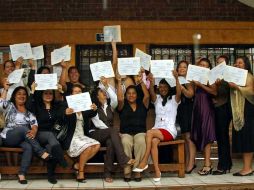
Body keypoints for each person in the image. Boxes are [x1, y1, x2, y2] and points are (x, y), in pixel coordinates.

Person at [133, 71, 181, 182]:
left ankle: (144, 161)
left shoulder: (174, 99)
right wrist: (152, 81)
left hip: (169, 130)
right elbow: (151, 92)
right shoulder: (157, 99)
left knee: (149, 133)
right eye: (160, 87)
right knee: (154, 141)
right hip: (158, 128)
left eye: (165, 87)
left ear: (169, 88)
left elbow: (179, 92)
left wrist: (177, 79)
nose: (162, 89)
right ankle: (157, 171)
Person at [0, 85, 51, 184]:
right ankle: (41, 152)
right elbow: (0, 103)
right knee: (24, 128)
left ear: (26, 97)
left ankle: (22, 174)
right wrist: (5, 89)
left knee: (28, 147)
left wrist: (34, 130)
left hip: (23, 139)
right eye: (19, 94)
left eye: (24, 94)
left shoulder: (29, 112)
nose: (22, 96)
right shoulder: (9, 105)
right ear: (14, 96)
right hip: (9, 137)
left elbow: (34, 124)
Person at [90, 77, 135, 183]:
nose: (104, 92)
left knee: (111, 142)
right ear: (97, 96)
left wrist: (106, 86)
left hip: (109, 135)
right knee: (113, 130)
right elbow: (98, 124)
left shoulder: (110, 106)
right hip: (95, 134)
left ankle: (107, 173)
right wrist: (113, 131)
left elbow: (116, 99)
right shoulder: (93, 107)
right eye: (101, 91)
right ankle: (123, 159)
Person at [26, 82, 68, 184]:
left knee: (50, 148)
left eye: (50, 93)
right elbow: (28, 105)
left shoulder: (56, 106)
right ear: (42, 95)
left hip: (53, 137)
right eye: (46, 93)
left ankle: (51, 175)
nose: (48, 95)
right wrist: (32, 91)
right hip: (39, 134)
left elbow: (66, 104)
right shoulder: (37, 106)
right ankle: (61, 159)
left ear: (53, 95)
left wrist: (61, 92)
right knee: (50, 135)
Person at [61, 84, 101, 182]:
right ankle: (81, 173)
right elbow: (60, 117)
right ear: (71, 94)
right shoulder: (65, 105)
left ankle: (77, 165)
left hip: (82, 136)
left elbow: (92, 113)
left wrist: (95, 108)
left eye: (80, 91)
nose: (78, 93)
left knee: (97, 145)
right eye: (76, 91)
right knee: (87, 148)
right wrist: (65, 113)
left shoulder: (84, 106)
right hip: (71, 137)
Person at [117, 72, 150, 182]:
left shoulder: (143, 104)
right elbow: (120, 98)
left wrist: (141, 82)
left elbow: (147, 95)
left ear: (137, 95)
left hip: (140, 132)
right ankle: (127, 170)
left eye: (133, 93)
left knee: (141, 140)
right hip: (126, 133)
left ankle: (137, 170)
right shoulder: (122, 105)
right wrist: (118, 81)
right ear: (126, 95)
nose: (131, 95)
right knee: (125, 141)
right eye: (129, 93)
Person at [188, 58, 217, 175]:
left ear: (209, 68)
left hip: (206, 107)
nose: (203, 67)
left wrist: (200, 85)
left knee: (207, 135)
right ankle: (206, 163)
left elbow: (214, 92)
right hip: (197, 107)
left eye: (205, 65)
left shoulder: (210, 77)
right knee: (198, 133)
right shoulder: (195, 77)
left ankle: (207, 165)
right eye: (201, 65)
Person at [228, 56, 254, 176]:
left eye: (240, 63)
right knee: (243, 139)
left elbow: (251, 91)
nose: (237, 64)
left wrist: (237, 87)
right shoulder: (234, 77)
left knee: (247, 139)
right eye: (236, 63)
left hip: (248, 110)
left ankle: (247, 168)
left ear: (246, 64)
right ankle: (247, 167)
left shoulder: (249, 76)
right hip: (238, 111)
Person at [212, 55, 232, 175]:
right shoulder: (215, 75)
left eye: (222, 63)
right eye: (218, 62)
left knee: (222, 137)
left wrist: (217, 86)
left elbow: (223, 93)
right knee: (221, 137)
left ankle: (223, 166)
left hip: (224, 109)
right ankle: (226, 164)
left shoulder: (228, 76)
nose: (219, 64)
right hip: (218, 108)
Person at [175, 61, 195, 173]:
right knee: (185, 137)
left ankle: (191, 163)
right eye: (180, 67)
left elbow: (190, 94)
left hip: (188, 109)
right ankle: (189, 161)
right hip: (180, 110)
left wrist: (180, 86)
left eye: (184, 67)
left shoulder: (188, 80)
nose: (182, 69)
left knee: (189, 137)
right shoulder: (177, 79)